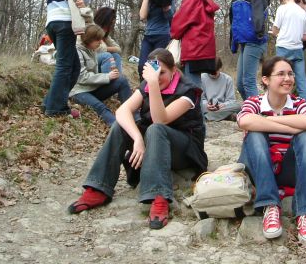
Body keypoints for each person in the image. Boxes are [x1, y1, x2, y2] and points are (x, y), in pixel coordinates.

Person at [68, 48, 208, 230]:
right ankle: (98, 188)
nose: (157, 78)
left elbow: (161, 119)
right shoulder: (148, 85)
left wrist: (153, 84)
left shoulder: (188, 90)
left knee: (156, 129)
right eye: (154, 73)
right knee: (121, 126)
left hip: (185, 151)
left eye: (162, 73)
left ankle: (159, 196)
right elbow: (122, 111)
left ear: (174, 71)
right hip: (155, 143)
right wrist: (138, 140)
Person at [237, 56, 306, 245]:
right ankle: (270, 205)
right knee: (255, 135)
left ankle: (305, 213)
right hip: (258, 169)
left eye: (290, 73)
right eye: (281, 74)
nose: (288, 78)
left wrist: (268, 121)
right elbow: (244, 121)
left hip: (287, 171)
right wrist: (292, 126)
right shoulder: (254, 102)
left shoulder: (299, 103)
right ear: (266, 80)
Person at [39, 0, 93, 117]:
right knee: (64, 67)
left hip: (53, 24)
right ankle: (55, 108)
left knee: (74, 67)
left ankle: (50, 102)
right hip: (63, 23)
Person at [69, 24, 132, 126]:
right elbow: (81, 77)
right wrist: (107, 76)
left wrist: (112, 74)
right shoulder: (76, 52)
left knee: (122, 80)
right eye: (97, 40)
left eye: (101, 39)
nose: (100, 42)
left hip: (92, 88)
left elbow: (116, 50)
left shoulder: (92, 49)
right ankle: (119, 128)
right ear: (89, 39)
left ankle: (135, 117)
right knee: (101, 107)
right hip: (79, 91)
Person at [170, 0, 219, 88]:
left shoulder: (191, 0)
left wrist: (174, 32)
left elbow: (176, 28)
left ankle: (197, 106)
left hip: (193, 49)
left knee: (193, 88)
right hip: (205, 49)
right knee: (195, 85)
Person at [229, 0, 271, 100]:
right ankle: (251, 107)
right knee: (240, 84)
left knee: (248, 80)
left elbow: (258, 15)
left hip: (255, 41)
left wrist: (259, 33)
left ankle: (258, 115)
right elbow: (233, 21)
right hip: (243, 42)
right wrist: (233, 42)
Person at [272, 0, 306, 103]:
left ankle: (281, 108)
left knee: (281, 80)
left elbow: (275, 30)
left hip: (283, 48)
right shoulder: (303, 13)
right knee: (301, 81)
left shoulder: (282, 8)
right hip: (298, 49)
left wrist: (278, 34)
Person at [138, 0, 175, 79]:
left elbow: (169, 17)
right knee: (142, 66)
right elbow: (142, 16)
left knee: (155, 66)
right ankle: (143, 90)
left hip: (162, 36)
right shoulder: (149, 0)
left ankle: (155, 89)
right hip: (148, 36)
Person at [201, 58, 241, 122]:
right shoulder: (202, 77)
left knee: (238, 106)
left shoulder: (228, 79)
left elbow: (231, 100)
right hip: (207, 108)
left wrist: (225, 105)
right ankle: (226, 116)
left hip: (223, 107)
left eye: (215, 72)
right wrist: (207, 105)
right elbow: (201, 99)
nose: (213, 74)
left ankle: (209, 117)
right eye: (211, 72)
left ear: (220, 68)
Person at [94, 7, 123, 73]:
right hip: (89, 60)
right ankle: (108, 81)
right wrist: (106, 48)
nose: (110, 27)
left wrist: (106, 48)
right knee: (106, 56)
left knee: (116, 56)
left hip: (99, 60)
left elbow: (118, 49)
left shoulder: (105, 36)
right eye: (109, 24)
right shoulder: (91, 29)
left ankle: (118, 81)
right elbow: (97, 49)